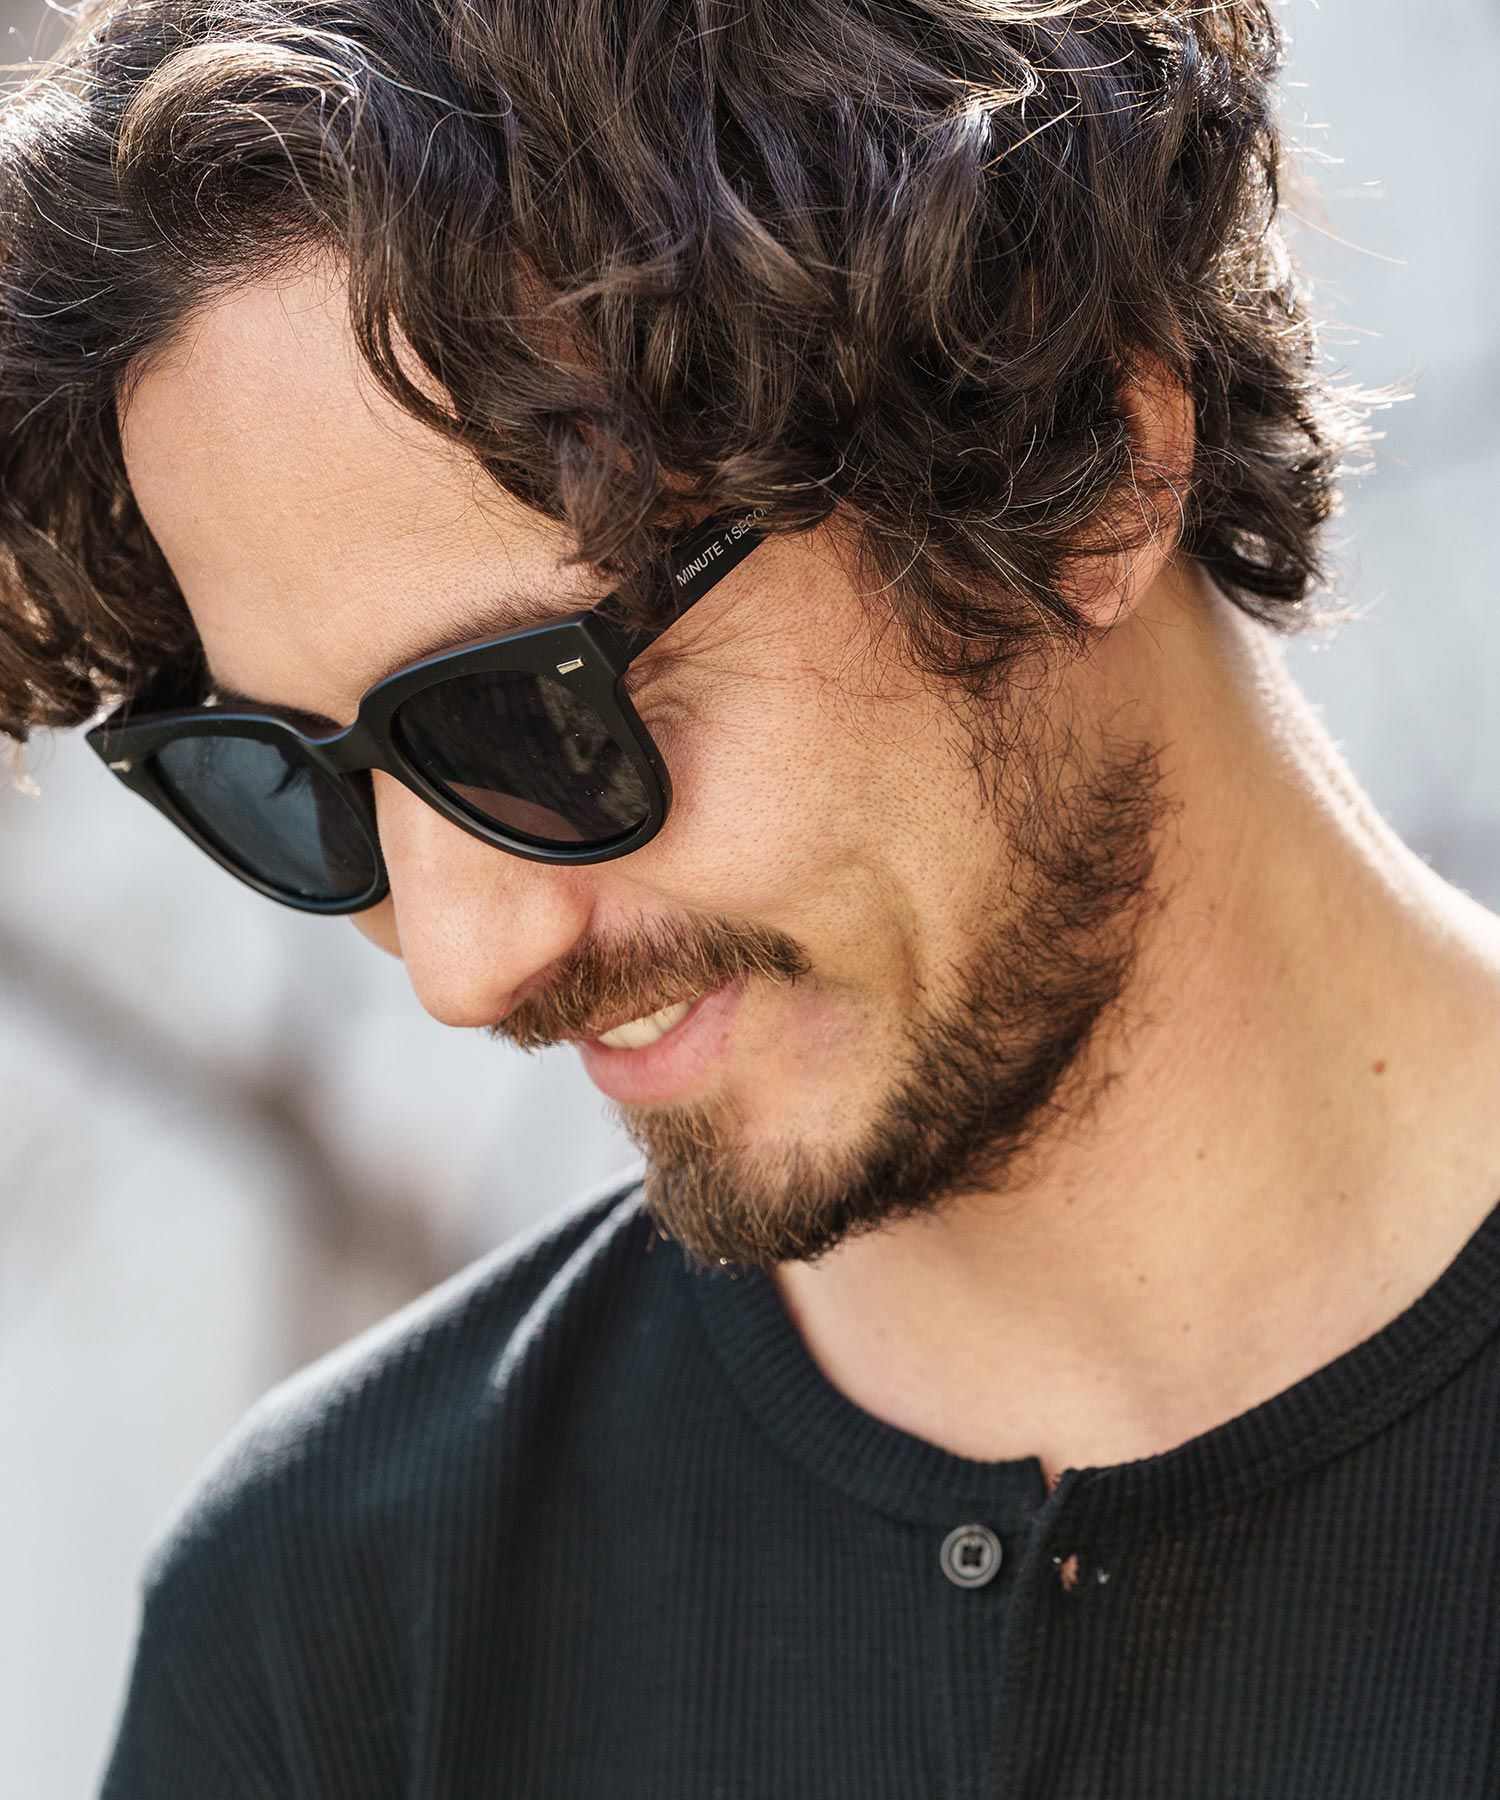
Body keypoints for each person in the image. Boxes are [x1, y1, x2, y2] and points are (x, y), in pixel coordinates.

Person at [3, 0, 1498, 1792]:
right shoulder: (329, 1636)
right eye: (293, 776)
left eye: (532, 712)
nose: (462, 964)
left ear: (1089, 463)